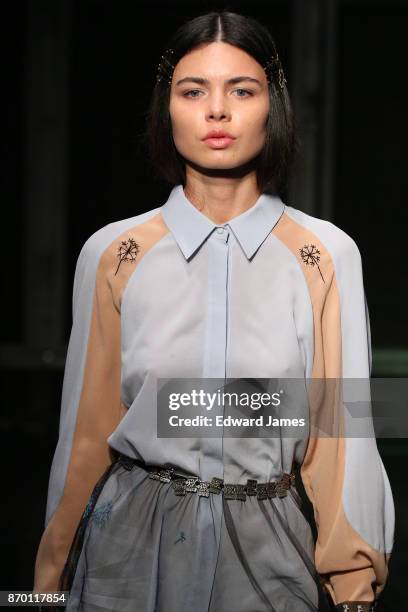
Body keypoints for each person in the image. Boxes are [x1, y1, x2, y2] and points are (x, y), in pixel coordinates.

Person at [33, 10, 395, 612]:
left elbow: (343, 431)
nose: (217, 111)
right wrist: (45, 588)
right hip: (127, 546)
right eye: (193, 90)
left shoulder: (325, 255)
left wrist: (355, 591)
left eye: (242, 90)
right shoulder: (113, 254)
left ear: (271, 105)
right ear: (166, 106)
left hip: (272, 549)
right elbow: (85, 433)